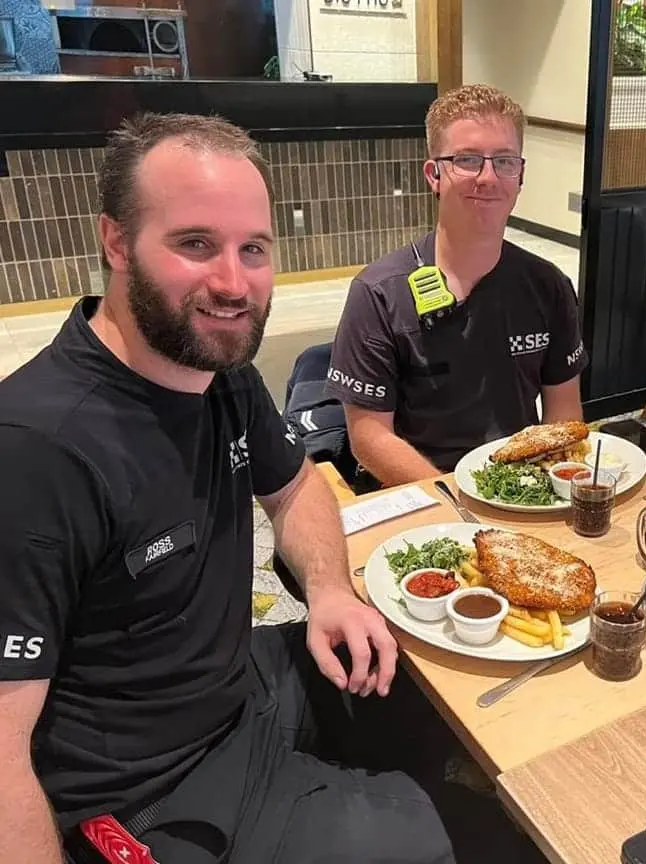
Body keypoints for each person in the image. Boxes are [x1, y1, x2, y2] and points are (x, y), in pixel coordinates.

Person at [0, 113, 453, 863]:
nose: (233, 283)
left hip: (237, 687)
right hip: (148, 794)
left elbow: (297, 484)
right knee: (443, 838)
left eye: (253, 250)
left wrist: (332, 592)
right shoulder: (37, 452)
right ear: (117, 242)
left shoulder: (219, 372)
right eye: (195, 245)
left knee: (428, 698)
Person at [326, 84, 589, 486]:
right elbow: (369, 437)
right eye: (467, 160)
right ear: (433, 174)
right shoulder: (379, 293)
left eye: (504, 161)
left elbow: (564, 413)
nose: (488, 177)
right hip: (422, 491)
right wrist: (454, 498)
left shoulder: (548, 286)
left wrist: (538, 487)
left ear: (520, 175)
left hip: (519, 484)